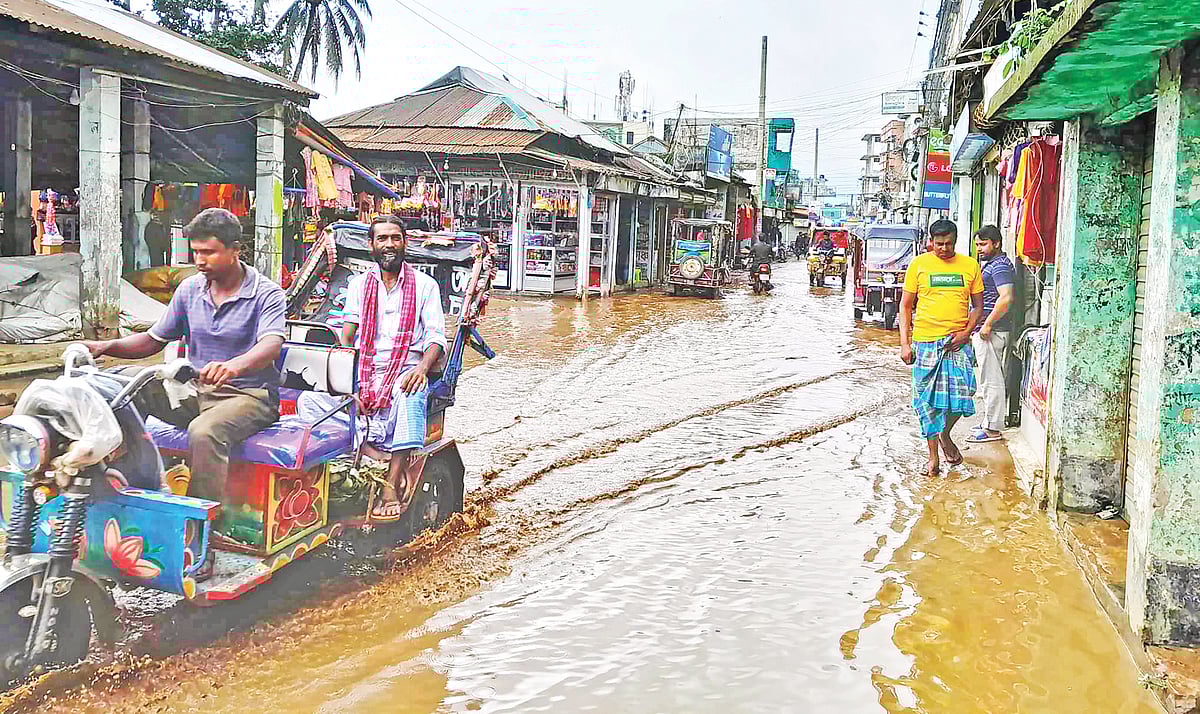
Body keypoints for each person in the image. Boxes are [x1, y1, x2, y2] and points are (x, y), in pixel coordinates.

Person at [84, 207, 286, 505]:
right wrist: (106, 346)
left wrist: (234, 366)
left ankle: (198, 522)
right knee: (120, 391)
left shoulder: (266, 293)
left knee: (204, 432)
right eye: (196, 252)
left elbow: (271, 344)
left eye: (209, 252)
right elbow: (154, 340)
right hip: (193, 391)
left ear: (235, 250)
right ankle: (130, 488)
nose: (200, 261)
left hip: (248, 396)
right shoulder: (190, 289)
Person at [298, 216, 447, 522]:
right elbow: (348, 331)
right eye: (382, 239)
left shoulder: (425, 286)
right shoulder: (359, 285)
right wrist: (345, 370)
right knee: (308, 402)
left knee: (411, 391)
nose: (389, 244)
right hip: (364, 370)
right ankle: (370, 452)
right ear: (372, 246)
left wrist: (421, 368)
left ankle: (390, 483)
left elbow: (435, 337)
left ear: (404, 243)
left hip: (405, 367)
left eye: (395, 238)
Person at [898, 218, 984, 475]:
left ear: (956, 241)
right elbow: (905, 306)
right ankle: (933, 458)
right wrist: (905, 343)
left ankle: (945, 434)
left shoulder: (970, 266)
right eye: (938, 244)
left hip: (957, 343)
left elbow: (978, 306)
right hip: (925, 342)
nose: (943, 249)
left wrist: (966, 332)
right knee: (927, 403)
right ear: (930, 243)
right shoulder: (918, 265)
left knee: (964, 392)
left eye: (948, 244)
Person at [966, 225, 1015, 443]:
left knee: (991, 379)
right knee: (987, 378)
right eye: (977, 244)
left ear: (996, 243)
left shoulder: (1000, 267)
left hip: (992, 331)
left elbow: (1006, 297)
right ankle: (989, 421)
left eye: (984, 244)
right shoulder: (994, 264)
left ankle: (993, 428)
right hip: (988, 329)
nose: (979, 249)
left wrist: (987, 324)